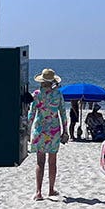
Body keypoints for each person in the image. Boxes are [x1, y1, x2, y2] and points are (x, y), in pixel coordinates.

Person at [28, 68, 68, 200]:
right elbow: (63, 114)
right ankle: (51, 189)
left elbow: (31, 114)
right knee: (52, 161)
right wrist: (65, 131)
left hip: (40, 130)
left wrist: (27, 130)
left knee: (40, 162)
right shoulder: (58, 94)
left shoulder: (37, 94)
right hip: (54, 131)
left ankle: (38, 192)